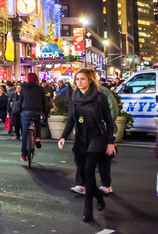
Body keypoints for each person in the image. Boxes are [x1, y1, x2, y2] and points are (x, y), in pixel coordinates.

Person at [58, 69, 115, 222]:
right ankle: (99, 196)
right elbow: (71, 120)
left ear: (90, 80)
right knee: (84, 173)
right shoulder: (74, 98)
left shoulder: (99, 97)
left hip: (97, 138)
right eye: (77, 79)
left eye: (82, 79)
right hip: (81, 139)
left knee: (89, 170)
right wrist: (63, 137)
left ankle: (88, 208)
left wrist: (110, 141)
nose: (79, 82)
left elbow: (109, 120)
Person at [20, 73, 47, 161]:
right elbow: (44, 102)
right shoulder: (40, 89)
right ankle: (38, 137)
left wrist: (20, 110)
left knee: (25, 132)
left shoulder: (23, 88)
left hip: (26, 110)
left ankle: (23, 155)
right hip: (36, 110)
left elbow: (21, 100)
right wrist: (44, 112)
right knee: (37, 124)